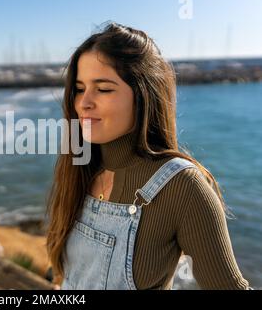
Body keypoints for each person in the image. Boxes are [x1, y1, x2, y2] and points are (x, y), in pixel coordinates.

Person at [45, 22, 251, 290]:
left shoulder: (182, 187)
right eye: (80, 88)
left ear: (143, 96)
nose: (84, 102)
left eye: (104, 89)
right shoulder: (80, 171)